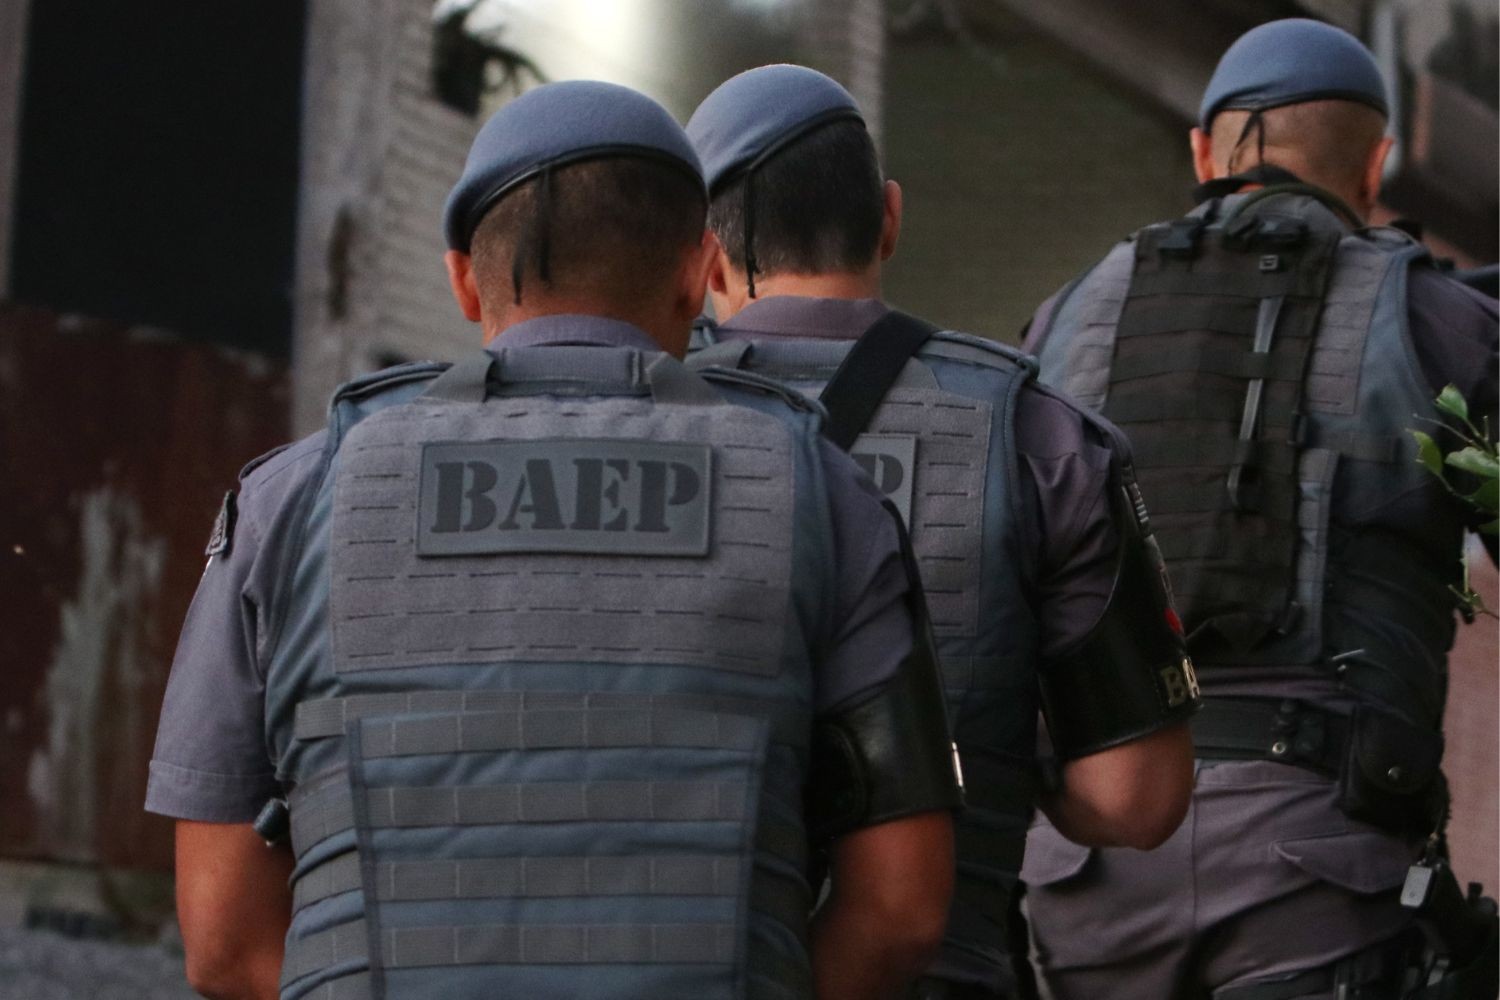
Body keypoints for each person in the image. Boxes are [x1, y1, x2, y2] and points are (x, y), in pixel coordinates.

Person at [145, 80, 963, 1000]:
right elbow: (901, 909)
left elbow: (223, 942)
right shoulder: (827, 495)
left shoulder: (288, 503)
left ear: (463, 281)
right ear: (699, 270)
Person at [683, 64, 1200, 1000]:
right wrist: (994, 762)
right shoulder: (1040, 434)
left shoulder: (636, 431)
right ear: (888, 218)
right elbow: (1135, 799)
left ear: (707, 259)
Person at [1024, 19, 1499, 999]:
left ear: (1205, 154)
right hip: (1321, 865)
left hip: (1084, 871)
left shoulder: (1059, 324)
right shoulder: (1439, 324)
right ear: (1375, 167)